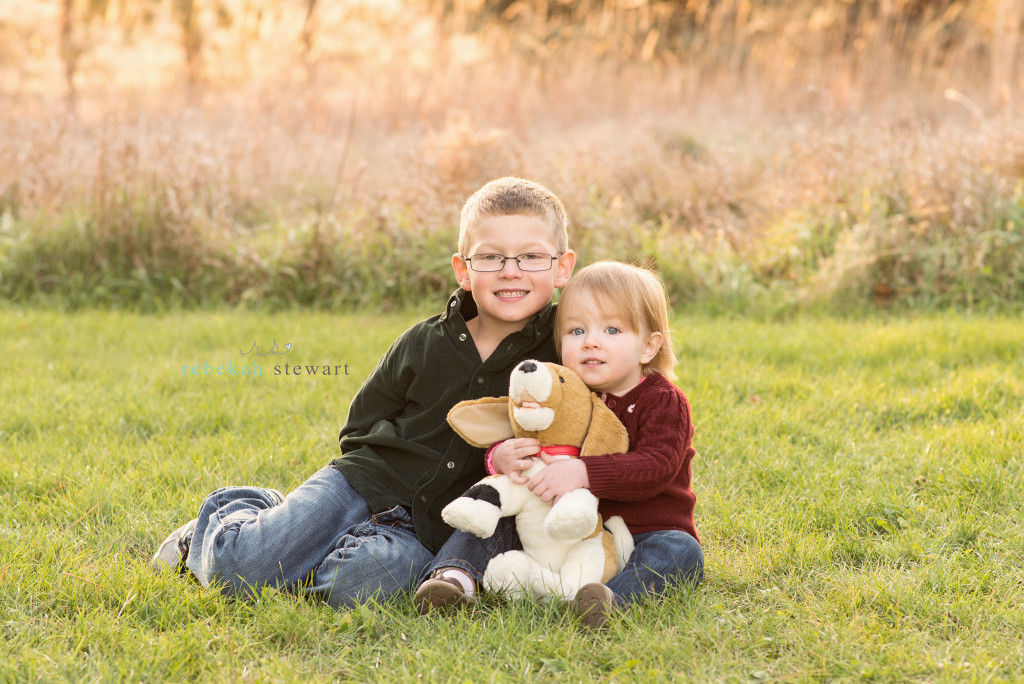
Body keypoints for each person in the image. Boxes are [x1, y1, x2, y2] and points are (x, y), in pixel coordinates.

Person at [151, 176, 576, 609]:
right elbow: (360, 423)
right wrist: (364, 482)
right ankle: (242, 511)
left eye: (531, 256)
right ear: (463, 270)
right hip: (362, 484)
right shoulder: (423, 342)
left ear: (562, 267)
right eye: (490, 257)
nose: (510, 270)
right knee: (242, 574)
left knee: (354, 588)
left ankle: (304, 543)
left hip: (429, 530)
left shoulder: (566, 351)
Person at [416, 261, 702, 628]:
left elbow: (657, 465)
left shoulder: (662, 400)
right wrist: (499, 458)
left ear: (648, 346)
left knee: (681, 552)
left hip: (645, 533)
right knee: (494, 515)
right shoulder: (567, 395)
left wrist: (584, 472)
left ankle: (607, 601)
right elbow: (529, 438)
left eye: (612, 329)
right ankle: (453, 580)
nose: (591, 341)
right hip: (564, 534)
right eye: (577, 330)